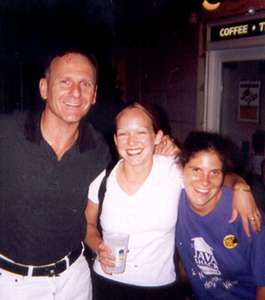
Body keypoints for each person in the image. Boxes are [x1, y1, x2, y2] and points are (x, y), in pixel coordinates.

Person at [85, 102, 261, 300]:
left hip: (157, 288)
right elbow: (87, 224)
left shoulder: (173, 170)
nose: (132, 142)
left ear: (157, 137)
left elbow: (210, 175)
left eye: (141, 133)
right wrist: (98, 245)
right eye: (124, 134)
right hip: (107, 284)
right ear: (116, 140)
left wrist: (240, 186)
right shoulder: (104, 179)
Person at [0, 48, 111, 300]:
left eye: (85, 84)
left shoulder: (98, 148)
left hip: (74, 279)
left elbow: (88, 218)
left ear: (94, 95)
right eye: (65, 82)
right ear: (43, 88)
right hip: (13, 285)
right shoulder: (6, 134)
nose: (75, 92)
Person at [175, 131, 265, 300]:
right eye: (196, 170)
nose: (204, 181)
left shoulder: (246, 215)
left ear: (223, 175)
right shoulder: (173, 201)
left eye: (214, 172)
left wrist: (240, 186)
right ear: (181, 169)